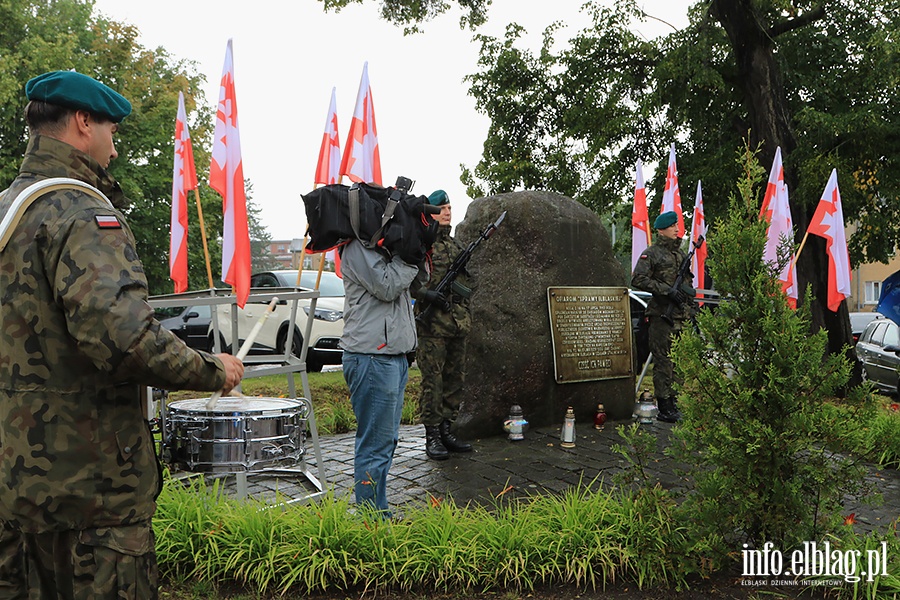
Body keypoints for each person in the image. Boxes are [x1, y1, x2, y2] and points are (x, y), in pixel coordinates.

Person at [0, 70, 245, 599]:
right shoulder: (82, 214)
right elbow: (125, 339)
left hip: (16, 486)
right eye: (112, 130)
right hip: (91, 495)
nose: (113, 149)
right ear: (83, 123)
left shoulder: (7, 211)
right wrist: (211, 370)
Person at [339, 236, 420, 517]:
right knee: (375, 445)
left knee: (386, 442)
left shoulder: (385, 248)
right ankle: (371, 522)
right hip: (372, 357)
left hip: (394, 356)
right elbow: (387, 286)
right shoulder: (356, 248)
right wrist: (409, 257)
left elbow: (418, 283)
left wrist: (419, 249)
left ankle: (376, 512)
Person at [414, 190, 473, 460]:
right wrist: (429, 295)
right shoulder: (421, 245)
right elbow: (411, 283)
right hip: (431, 327)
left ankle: (447, 430)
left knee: (454, 380)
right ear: (430, 212)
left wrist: (458, 293)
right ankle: (432, 435)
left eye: (449, 207)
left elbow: (470, 285)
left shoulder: (456, 246)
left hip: (456, 324)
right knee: (432, 384)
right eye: (441, 208)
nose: (447, 212)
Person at [631, 210, 695, 423]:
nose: (678, 229)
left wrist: (690, 306)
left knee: (679, 362)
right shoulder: (652, 254)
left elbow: (687, 285)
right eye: (674, 226)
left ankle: (674, 402)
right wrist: (666, 290)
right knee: (663, 361)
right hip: (661, 316)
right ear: (662, 229)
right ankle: (664, 405)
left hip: (679, 316)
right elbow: (638, 279)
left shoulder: (680, 255)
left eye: (677, 226)